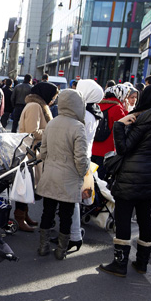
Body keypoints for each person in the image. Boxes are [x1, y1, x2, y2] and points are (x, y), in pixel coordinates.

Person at [99, 84, 151, 277]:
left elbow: (124, 148)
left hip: (130, 175)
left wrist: (119, 125)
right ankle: (142, 262)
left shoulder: (142, 118)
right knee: (146, 218)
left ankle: (120, 264)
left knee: (123, 217)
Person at [37, 89, 90, 260]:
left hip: (50, 175)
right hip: (68, 178)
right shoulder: (78, 127)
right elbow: (81, 158)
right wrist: (84, 174)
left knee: (47, 212)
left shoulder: (51, 123)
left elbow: (43, 153)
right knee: (66, 215)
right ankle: (61, 250)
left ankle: (43, 247)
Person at [67, 79, 104, 252]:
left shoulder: (84, 114)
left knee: (72, 198)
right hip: (84, 157)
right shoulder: (94, 111)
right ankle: (72, 232)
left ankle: (73, 234)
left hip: (76, 158)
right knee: (76, 197)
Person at [16, 82, 59, 232]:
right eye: (53, 96)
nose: (53, 100)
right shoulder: (35, 106)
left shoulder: (38, 105)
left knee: (29, 186)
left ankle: (25, 215)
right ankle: (19, 217)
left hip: (34, 152)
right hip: (30, 152)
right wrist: (51, 130)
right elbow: (32, 131)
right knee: (25, 186)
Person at [91, 84, 129, 179]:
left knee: (90, 176)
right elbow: (125, 125)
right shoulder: (117, 108)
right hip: (106, 150)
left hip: (92, 146)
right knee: (100, 179)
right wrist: (126, 110)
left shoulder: (97, 105)